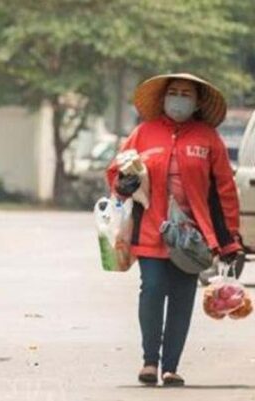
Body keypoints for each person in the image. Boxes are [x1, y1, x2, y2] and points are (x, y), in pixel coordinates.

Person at [106, 73, 243, 387]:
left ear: (196, 103)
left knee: (182, 297)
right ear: (163, 98)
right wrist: (122, 182)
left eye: (186, 94)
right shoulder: (143, 133)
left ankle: (171, 367)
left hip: (194, 236)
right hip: (150, 230)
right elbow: (116, 172)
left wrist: (230, 239)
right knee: (152, 289)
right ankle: (149, 361)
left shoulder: (208, 138)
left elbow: (225, 190)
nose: (178, 98)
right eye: (174, 92)